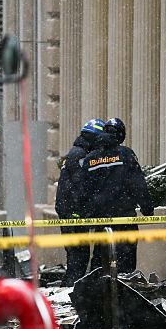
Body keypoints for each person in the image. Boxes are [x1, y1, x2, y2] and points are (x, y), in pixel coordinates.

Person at [81, 117, 153, 274]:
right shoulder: (126, 155)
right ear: (120, 135)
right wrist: (147, 207)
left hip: (101, 218)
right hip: (123, 216)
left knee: (100, 258)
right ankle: (123, 291)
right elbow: (138, 184)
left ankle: (98, 291)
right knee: (126, 260)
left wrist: (87, 213)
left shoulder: (90, 158)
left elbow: (84, 189)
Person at [55, 118, 104, 285]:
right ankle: (70, 290)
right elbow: (82, 184)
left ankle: (71, 287)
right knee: (78, 256)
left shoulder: (75, 152)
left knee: (76, 255)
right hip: (73, 212)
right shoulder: (80, 155)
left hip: (69, 210)